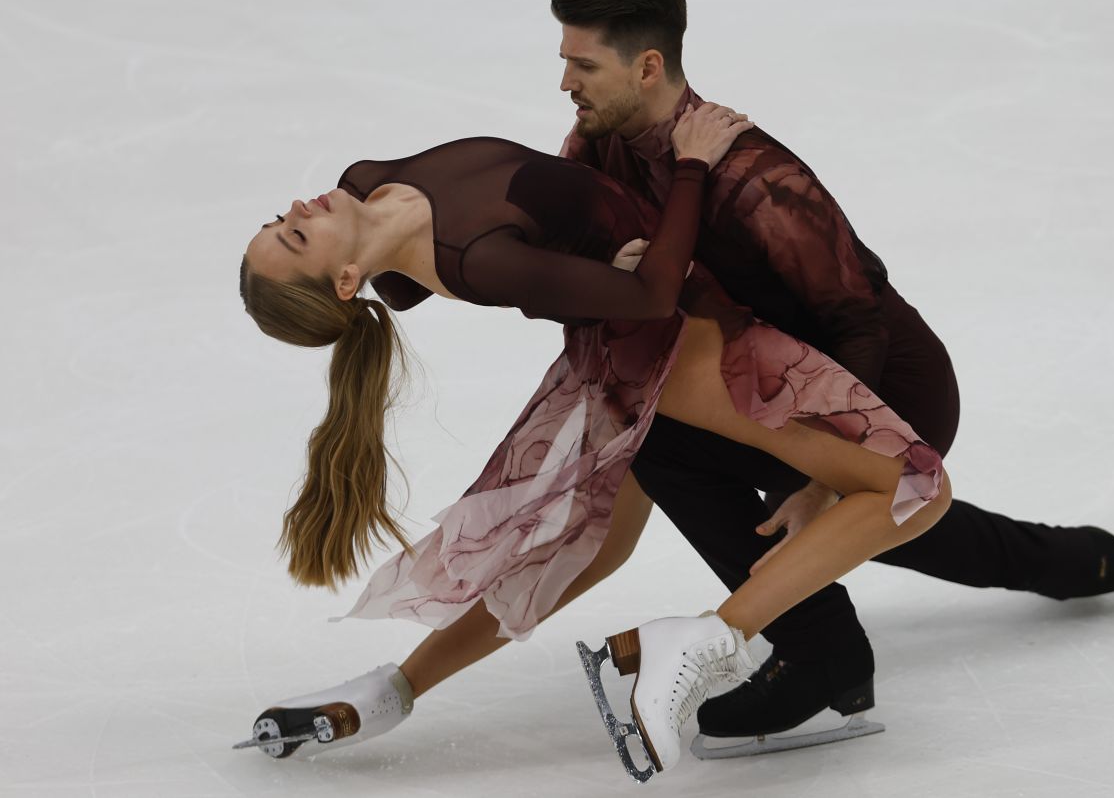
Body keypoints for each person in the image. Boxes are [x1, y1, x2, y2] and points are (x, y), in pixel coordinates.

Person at [551, 0, 1114, 746]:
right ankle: (1086, 561)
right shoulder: (600, 145)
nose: (565, 82)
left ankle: (821, 654)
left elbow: (858, 322)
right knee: (673, 443)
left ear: (646, 66)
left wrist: (821, 482)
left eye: (582, 65)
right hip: (769, 392)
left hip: (882, 386)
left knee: (834, 510)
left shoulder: (756, 178)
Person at [235, 102, 954, 777]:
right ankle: (709, 638)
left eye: (278, 220)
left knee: (590, 541)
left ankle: (395, 690)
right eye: (295, 237)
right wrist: (691, 165)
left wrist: (576, 258)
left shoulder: (366, 186)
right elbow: (649, 295)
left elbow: (415, 277)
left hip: (617, 345)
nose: (297, 208)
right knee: (913, 487)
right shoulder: (471, 257)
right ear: (346, 279)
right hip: (685, 345)